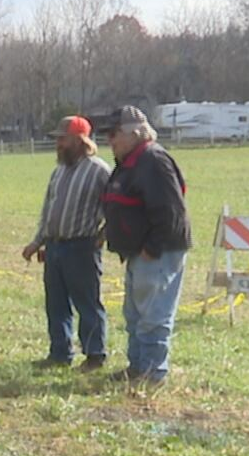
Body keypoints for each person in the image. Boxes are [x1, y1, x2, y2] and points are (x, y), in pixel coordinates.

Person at [98, 105, 191, 386]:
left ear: (134, 133)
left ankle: (152, 374)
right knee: (135, 315)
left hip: (157, 253)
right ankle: (137, 367)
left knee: (153, 316)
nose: (110, 140)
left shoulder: (153, 160)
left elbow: (170, 211)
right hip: (138, 252)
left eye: (114, 134)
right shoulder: (130, 162)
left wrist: (153, 247)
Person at [22, 115, 111, 371]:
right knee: (56, 304)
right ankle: (59, 353)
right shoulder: (58, 171)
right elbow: (48, 211)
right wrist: (36, 242)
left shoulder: (99, 171)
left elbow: (114, 209)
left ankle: (95, 355)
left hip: (81, 247)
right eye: (57, 139)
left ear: (79, 140)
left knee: (87, 303)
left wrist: (102, 236)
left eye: (63, 139)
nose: (58, 144)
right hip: (54, 247)